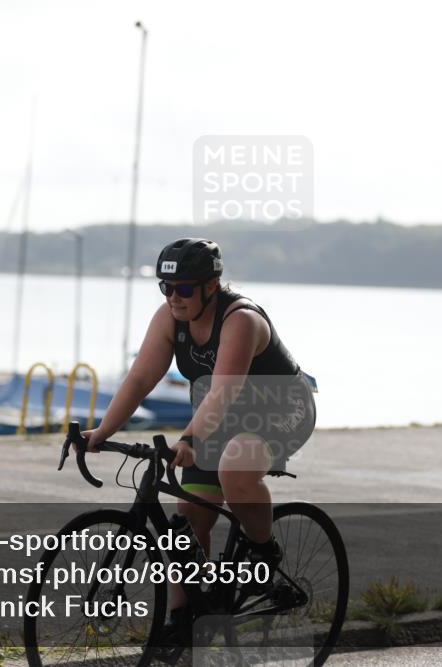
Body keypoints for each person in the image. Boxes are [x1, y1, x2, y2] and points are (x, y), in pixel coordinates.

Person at [80, 237, 316, 641]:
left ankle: (264, 551)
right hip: (221, 416)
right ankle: (180, 621)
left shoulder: (240, 319)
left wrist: (188, 438)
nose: (174, 297)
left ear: (212, 285)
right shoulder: (170, 318)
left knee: (236, 468)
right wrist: (102, 431)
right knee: (187, 521)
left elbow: (223, 390)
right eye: (165, 288)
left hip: (281, 408)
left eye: (184, 288)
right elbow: (139, 378)